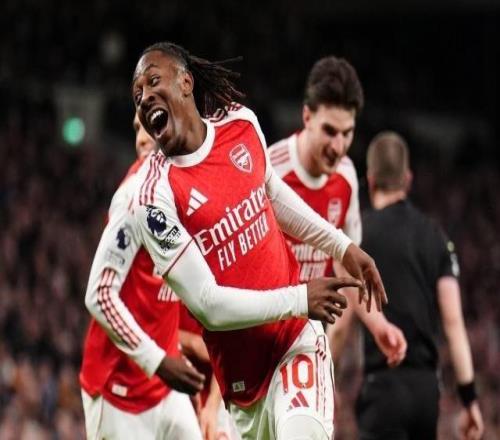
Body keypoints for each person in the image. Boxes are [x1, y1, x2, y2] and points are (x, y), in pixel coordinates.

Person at [131, 41, 387, 439]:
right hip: (241, 385)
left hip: (295, 343)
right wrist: (301, 297)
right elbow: (209, 305)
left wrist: (340, 245)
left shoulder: (241, 124)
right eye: (137, 93)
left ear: (185, 82)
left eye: (152, 81)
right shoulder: (153, 200)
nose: (145, 96)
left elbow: (272, 195)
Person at [269, 56, 406, 369]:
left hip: (305, 343)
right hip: (261, 338)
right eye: (329, 131)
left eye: (347, 133)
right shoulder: (270, 171)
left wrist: (379, 326)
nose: (339, 146)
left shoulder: (346, 177)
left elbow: (346, 270)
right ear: (307, 116)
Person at [80, 114, 205, 439]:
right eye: (137, 128)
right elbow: (99, 295)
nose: (141, 138)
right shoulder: (133, 197)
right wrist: (159, 361)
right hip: (118, 392)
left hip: (165, 389)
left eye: (153, 124)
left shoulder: (192, 190)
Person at [354, 131, 484, 440]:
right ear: (408, 179)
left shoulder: (358, 236)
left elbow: (343, 318)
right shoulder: (435, 236)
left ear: (370, 180)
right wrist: (469, 399)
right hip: (426, 394)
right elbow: (454, 323)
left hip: (381, 389)